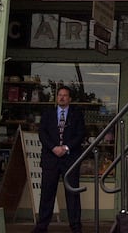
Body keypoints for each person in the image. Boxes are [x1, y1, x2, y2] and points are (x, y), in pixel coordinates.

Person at [33, 85, 86, 233]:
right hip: (51, 158)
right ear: (56, 98)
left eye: (65, 95)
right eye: (59, 95)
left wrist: (66, 147)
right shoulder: (48, 113)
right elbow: (42, 133)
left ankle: (75, 226)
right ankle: (42, 226)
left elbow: (80, 133)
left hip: (70, 158)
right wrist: (54, 148)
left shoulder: (76, 114)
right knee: (47, 193)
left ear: (69, 98)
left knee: (72, 193)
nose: (62, 97)